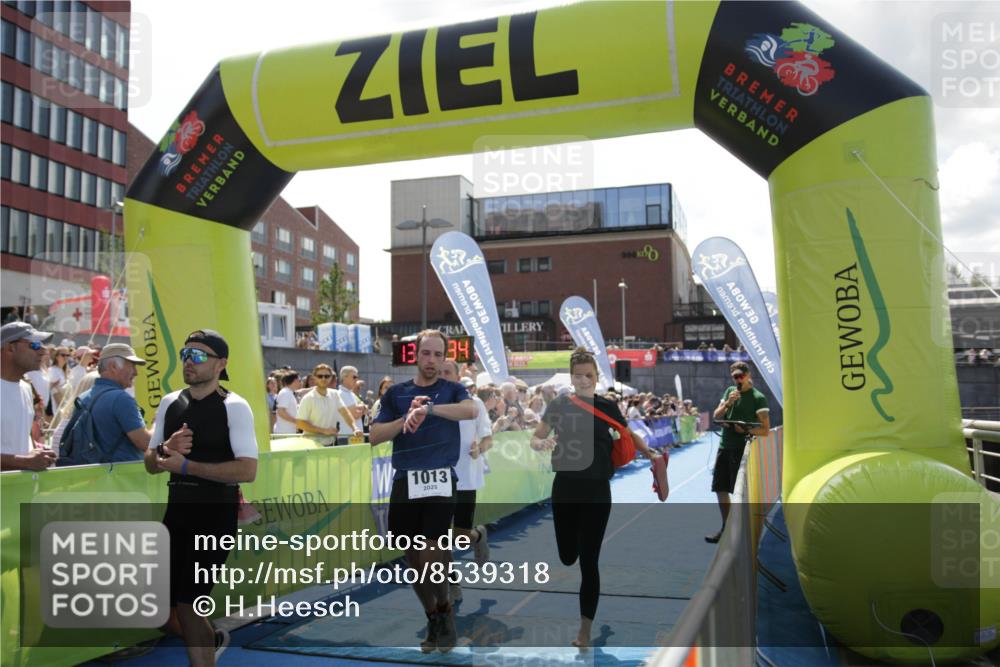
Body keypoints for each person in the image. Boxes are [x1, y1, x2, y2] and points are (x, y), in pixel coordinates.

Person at [144, 329, 257, 667]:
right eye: (184, 354)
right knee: (159, 609)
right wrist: (165, 449)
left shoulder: (234, 406)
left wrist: (187, 466)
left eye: (198, 355)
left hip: (213, 514)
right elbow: (150, 464)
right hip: (176, 510)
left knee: (190, 605)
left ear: (221, 363)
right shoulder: (170, 402)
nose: (188, 362)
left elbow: (247, 471)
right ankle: (213, 640)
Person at [529, 347, 656, 649]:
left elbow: (628, 434)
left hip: (597, 491)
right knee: (567, 556)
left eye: (589, 375)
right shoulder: (559, 405)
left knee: (589, 561)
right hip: (565, 489)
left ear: (597, 376)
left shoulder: (608, 406)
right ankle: (585, 618)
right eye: (578, 376)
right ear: (571, 378)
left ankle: (584, 630)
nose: (584, 380)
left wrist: (650, 453)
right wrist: (542, 442)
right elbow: (535, 437)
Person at [370, 330, 476, 653]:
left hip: (441, 481)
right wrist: (406, 418)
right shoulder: (397, 394)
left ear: (445, 358)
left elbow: (471, 411)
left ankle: (444, 606)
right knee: (413, 561)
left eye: (438, 355)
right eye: (426, 354)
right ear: (415, 355)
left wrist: (429, 410)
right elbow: (374, 435)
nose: (431, 360)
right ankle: (434, 616)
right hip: (404, 482)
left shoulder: (453, 389)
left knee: (432, 559)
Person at [438, 361, 492, 604]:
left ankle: (477, 535)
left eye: (447, 372)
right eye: (439, 372)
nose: (443, 376)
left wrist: (479, 449)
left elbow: (488, 439)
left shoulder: (475, 402)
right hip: (437, 478)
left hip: (466, 477)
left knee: (459, 537)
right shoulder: (431, 403)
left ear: (459, 375)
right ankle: (452, 583)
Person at [707, 361, 770, 543]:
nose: (738, 379)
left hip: (742, 451)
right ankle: (726, 528)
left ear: (749, 375)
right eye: (735, 377)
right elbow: (716, 416)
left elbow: (765, 430)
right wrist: (727, 403)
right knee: (720, 488)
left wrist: (747, 430)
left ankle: (743, 530)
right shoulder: (729, 392)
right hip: (724, 447)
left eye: (741, 376)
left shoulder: (758, 398)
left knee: (740, 492)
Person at [61, 343, 151, 464]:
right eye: (132, 365)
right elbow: (145, 443)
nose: (136, 372)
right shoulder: (121, 398)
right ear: (113, 366)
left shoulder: (84, 397)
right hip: (122, 480)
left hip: (94, 478)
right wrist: (158, 424)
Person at [0, 322, 57, 470]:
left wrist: (36, 452)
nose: (43, 351)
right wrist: (23, 461)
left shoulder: (26, 388)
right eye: (35, 345)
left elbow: (18, 440)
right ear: (10, 348)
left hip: (22, 489)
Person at [296, 363, 361, 442]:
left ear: (330, 378)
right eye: (320, 376)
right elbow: (300, 423)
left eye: (327, 376)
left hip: (330, 444)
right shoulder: (308, 398)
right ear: (314, 378)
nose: (323, 379)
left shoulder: (334, 394)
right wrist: (323, 431)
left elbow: (345, 413)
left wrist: (355, 428)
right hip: (311, 445)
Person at [337, 365, 368, 441]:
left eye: (357, 377)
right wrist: (363, 408)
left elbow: (359, 411)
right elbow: (354, 414)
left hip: (355, 437)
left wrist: (360, 408)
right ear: (344, 377)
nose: (356, 379)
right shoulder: (341, 394)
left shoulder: (351, 393)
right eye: (354, 377)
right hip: (346, 436)